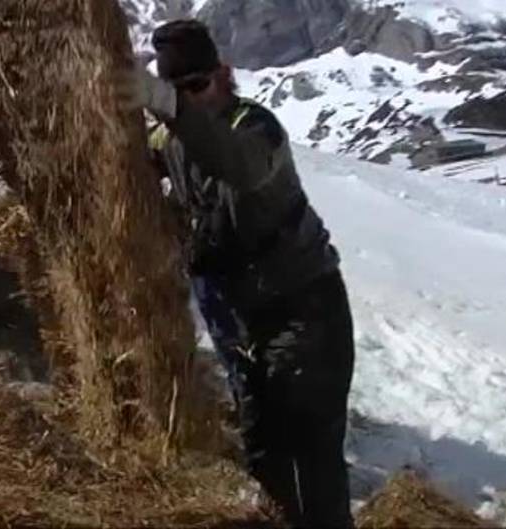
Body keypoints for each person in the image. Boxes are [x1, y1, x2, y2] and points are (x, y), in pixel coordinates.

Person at [126, 20, 355, 528]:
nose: (194, 99)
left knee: (313, 456)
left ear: (223, 76)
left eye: (199, 86)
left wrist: (169, 104)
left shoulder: (255, 127)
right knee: (263, 452)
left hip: (305, 309)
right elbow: (135, 167)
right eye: (181, 90)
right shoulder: (172, 138)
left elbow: (241, 168)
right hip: (243, 319)